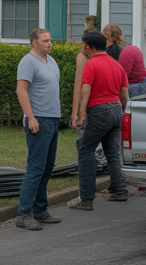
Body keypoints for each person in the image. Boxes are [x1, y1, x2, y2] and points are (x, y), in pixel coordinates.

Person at [68, 30, 129, 210]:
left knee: (85, 149)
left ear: (88, 46)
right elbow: (124, 93)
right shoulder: (116, 65)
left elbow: (85, 90)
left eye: (83, 46)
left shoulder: (92, 64)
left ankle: (85, 199)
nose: (82, 49)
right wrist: (123, 112)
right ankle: (119, 189)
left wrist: (81, 114)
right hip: (116, 110)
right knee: (112, 151)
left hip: (99, 111)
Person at [14, 27, 63, 230]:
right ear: (34, 42)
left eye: (50, 40)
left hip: (53, 119)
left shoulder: (50, 60)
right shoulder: (28, 62)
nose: (49, 43)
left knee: (47, 167)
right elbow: (21, 90)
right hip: (39, 120)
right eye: (44, 41)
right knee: (35, 169)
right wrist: (31, 117)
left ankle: (40, 210)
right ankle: (24, 215)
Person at [102, 23, 146, 98]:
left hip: (140, 86)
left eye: (106, 39)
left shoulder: (126, 52)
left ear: (113, 38)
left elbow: (120, 78)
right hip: (141, 82)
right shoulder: (121, 50)